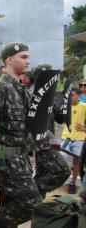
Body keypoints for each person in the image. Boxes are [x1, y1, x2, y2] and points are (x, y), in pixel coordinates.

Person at [0, 42, 42, 228]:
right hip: (5, 161)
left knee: (8, 205)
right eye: (23, 57)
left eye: (28, 57)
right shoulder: (0, 87)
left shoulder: (21, 90)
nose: (28, 61)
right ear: (9, 60)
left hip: (19, 159)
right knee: (32, 204)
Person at [29, 64, 70, 198]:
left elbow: (59, 119)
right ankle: (32, 191)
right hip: (41, 143)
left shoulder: (49, 96)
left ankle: (36, 205)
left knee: (43, 173)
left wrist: (65, 103)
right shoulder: (32, 96)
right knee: (63, 170)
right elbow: (32, 122)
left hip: (48, 143)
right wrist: (52, 137)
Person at [61, 88, 86, 194]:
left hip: (79, 139)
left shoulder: (84, 107)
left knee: (76, 162)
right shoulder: (65, 107)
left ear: (78, 96)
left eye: (73, 95)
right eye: (70, 96)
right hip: (65, 137)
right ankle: (61, 179)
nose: (71, 97)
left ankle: (73, 183)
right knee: (60, 159)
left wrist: (85, 128)